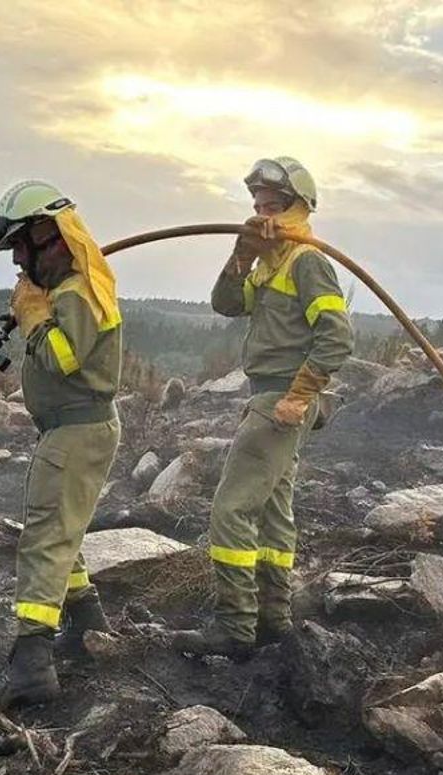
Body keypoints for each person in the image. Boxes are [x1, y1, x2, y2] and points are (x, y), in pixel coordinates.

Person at [174, 157, 354, 659]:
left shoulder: (307, 261)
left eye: (272, 204)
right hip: (271, 397)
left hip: (280, 400)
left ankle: (234, 627)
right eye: (256, 205)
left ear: (298, 206)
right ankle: (274, 619)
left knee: (231, 511)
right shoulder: (271, 262)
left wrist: (298, 397)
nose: (261, 212)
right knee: (275, 515)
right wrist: (240, 258)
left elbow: (337, 337)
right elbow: (227, 304)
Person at [0, 179, 122, 704]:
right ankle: (88, 624)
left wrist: (34, 318)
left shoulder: (80, 292)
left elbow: (64, 358)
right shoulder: (65, 287)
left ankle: (32, 664)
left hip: (78, 429)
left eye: (19, 244)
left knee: (43, 541)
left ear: (48, 235)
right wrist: (35, 306)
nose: (15, 258)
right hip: (69, 428)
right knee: (64, 529)